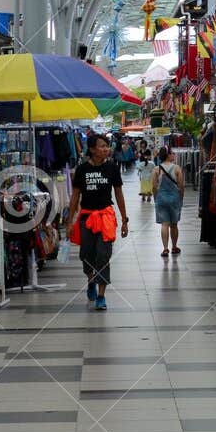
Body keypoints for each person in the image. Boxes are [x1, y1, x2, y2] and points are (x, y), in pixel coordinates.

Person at [66, 133, 129, 311]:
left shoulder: (112, 168)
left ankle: (101, 295)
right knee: (86, 255)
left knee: (103, 255)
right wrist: (69, 222)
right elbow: (75, 197)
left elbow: (118, 194)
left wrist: (124, 220)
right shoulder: (82, 170)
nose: (106, 149)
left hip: (106, 217)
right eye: (101, 146)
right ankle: (91, 280)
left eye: (107, 146)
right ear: (92, 149)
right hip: (86, 217)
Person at [153, 145, 185, 258]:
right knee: (174, 224)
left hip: (161, 199)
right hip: (174, 199)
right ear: (168, 155)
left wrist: (156, 199)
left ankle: (165, 248)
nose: (174, 155)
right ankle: (174, 246)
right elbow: (181, 186)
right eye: (172, 153)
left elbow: (154, 187)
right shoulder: (177, 168)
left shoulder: (156, 169)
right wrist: (181, 198)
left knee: (164, 224)